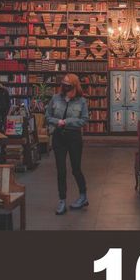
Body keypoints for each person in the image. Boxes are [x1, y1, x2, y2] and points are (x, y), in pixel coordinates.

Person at [45, 74, 89, 215]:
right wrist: (56, 122)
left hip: (74, 137)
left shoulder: (81, 101)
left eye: (67, 84)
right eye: (63, 83)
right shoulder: (55, 98)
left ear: (74, 85)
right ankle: (62, 200)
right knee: (61, 170)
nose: (64, 86)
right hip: (59, 136)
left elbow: (84, 120)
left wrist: (67, 121)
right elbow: (47, 116)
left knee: (76, 168)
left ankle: (83, 196)